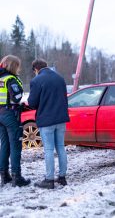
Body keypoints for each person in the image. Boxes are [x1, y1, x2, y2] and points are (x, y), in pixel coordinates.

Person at [28, 58, 70, 189]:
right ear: (46, 66)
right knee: (61, 148)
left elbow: (32, 102)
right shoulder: (60, 78)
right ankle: (62, 177)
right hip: (61, 118)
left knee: (49, 150)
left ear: (36, 69)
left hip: (46, 120)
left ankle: (49, 179)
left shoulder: (36, 80)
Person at [0, 55, 31, 187]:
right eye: (17, 66)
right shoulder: (10, 79)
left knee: (4, 145)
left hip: (1, 114)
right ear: (13, 66)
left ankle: (4, 175)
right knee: (16, 145)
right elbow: (17, 97)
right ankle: (17, 176)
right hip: (11, 115)